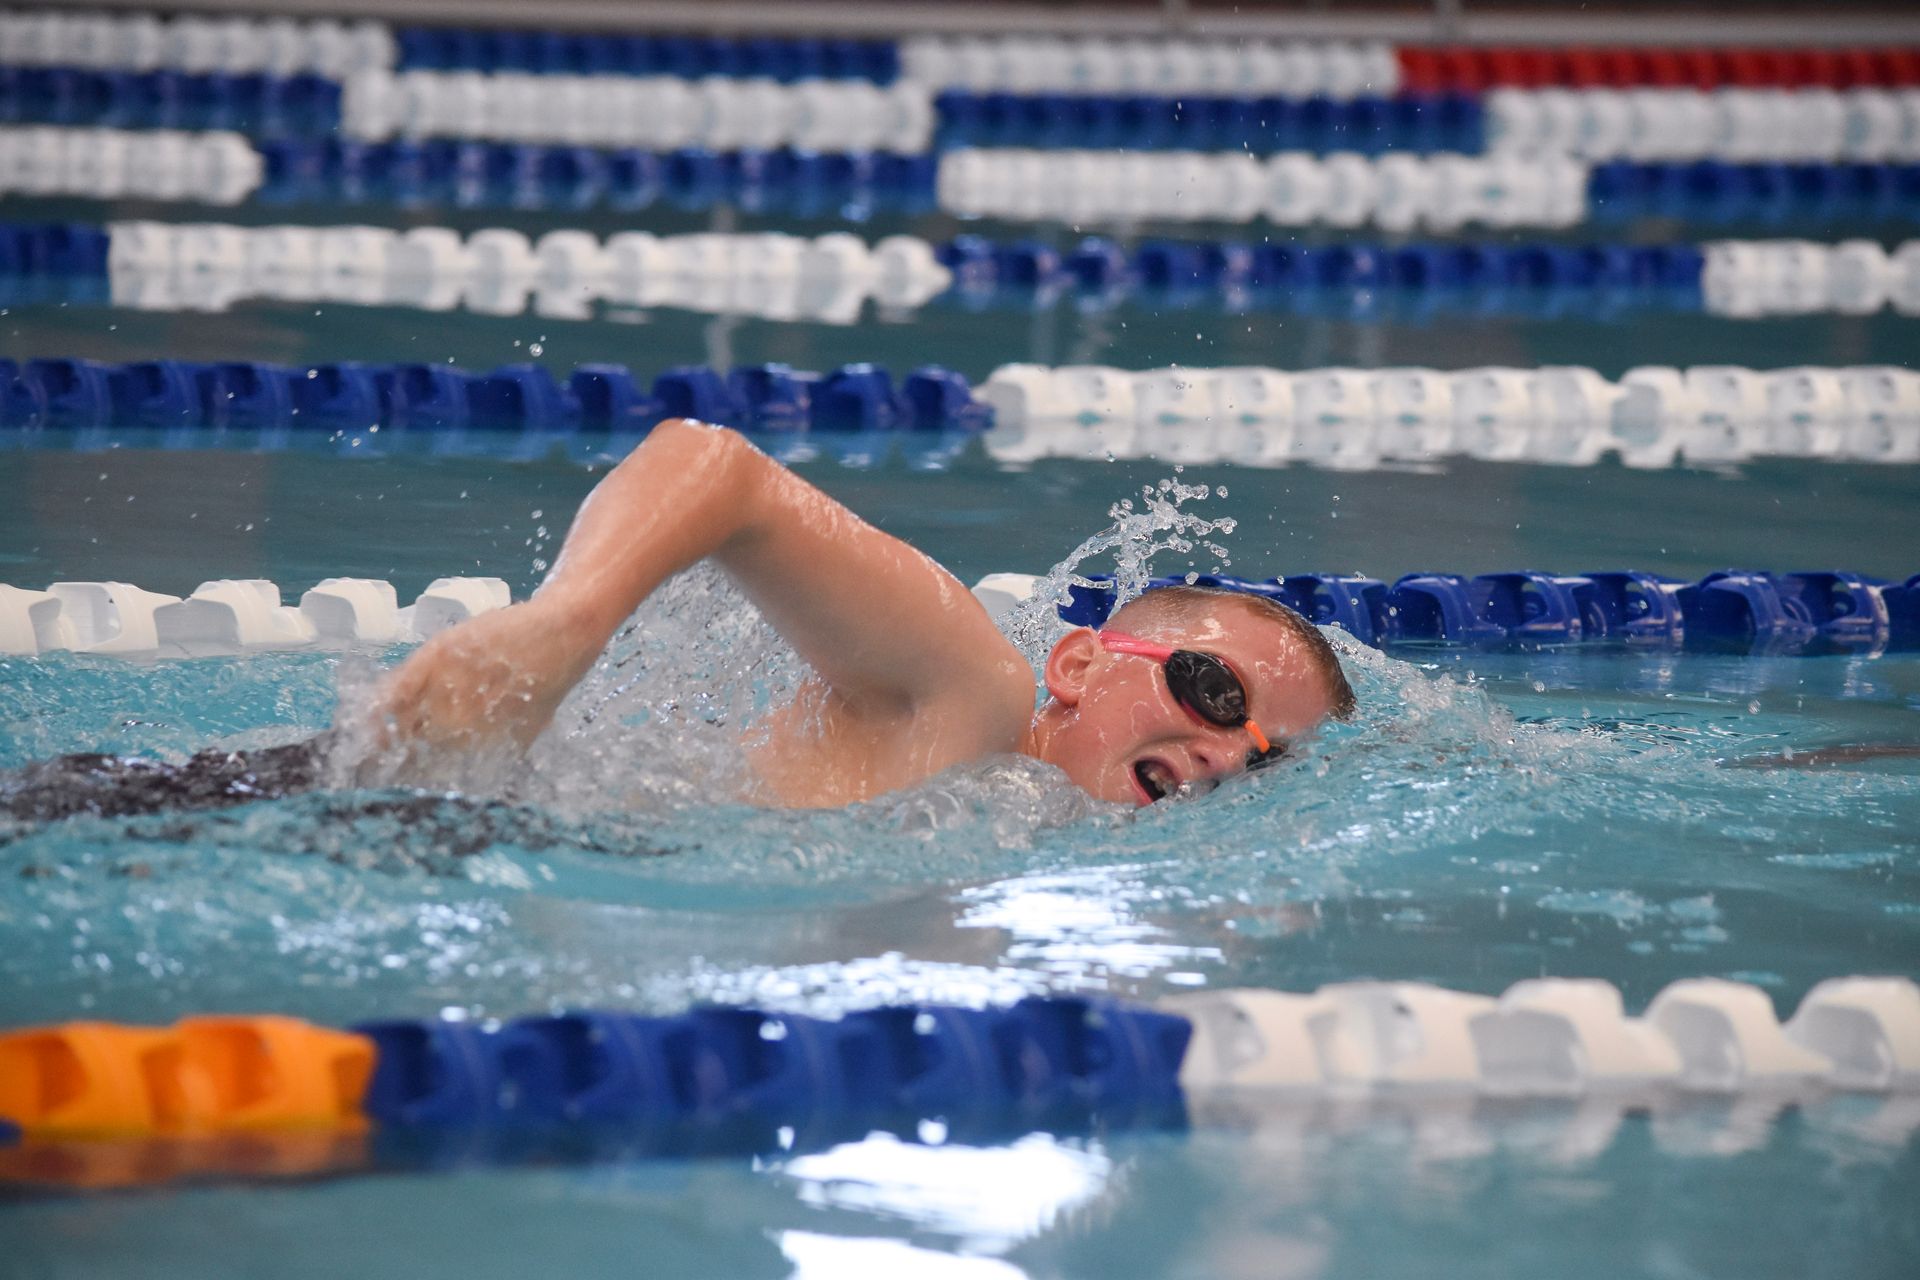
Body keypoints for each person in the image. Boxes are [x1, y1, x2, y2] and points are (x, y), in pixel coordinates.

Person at [3, 420, 1354, 823]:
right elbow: (720, 469)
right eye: (1216, 697)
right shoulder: (970, 688)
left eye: (1262, 758)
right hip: (387, 802)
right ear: (1080, 660)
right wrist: (564, 629)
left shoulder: (1069, 836)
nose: (1231, 754)